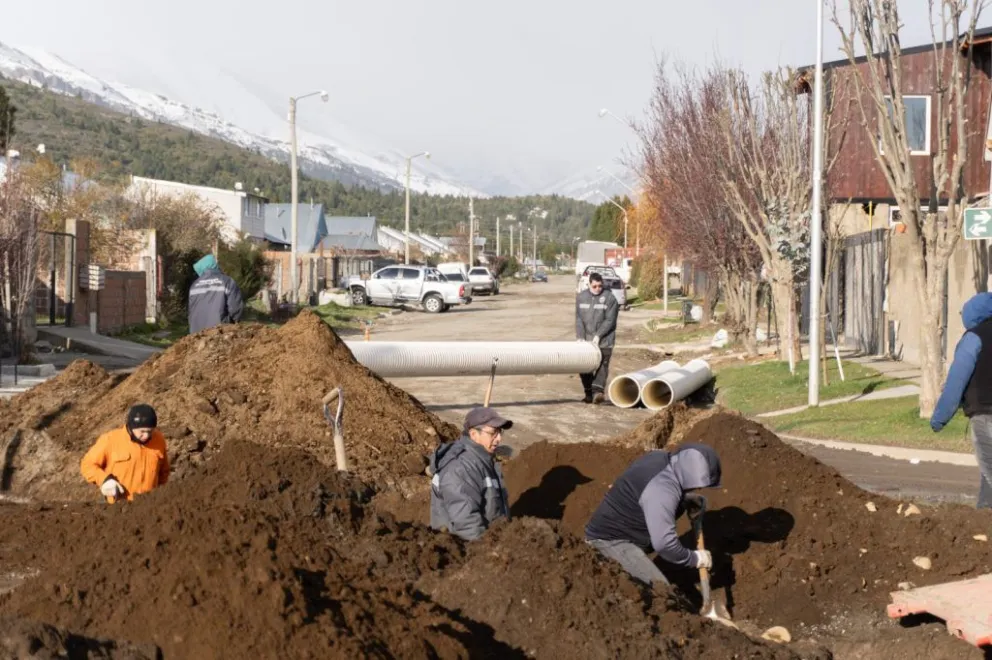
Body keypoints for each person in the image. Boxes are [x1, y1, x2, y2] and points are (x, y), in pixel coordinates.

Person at [584, 443, 722, 585]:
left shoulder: (660, 458)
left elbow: (648, 493)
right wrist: (695, 558)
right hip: (609, 541)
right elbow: (664, 545)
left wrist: (685, 500)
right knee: (661, 592)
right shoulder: (662, 491)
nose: (699, 488)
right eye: (698, 484)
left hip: (625, 528)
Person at [931, 292, 992, 508]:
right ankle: (982, 521)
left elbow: (957, 381)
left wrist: (940, 418)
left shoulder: (974, 338)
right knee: (988, 473)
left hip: (985, 415)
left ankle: (985, 520)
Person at [429, 407, 513, 540]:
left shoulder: (484, 460)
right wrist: (487, 551)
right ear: (474, 434)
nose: (499, 439)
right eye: (493, 433)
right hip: (469, 550)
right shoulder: (460, 468)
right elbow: (466, 524)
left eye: (500, 432)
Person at [80, 404, 170, 503]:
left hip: (149, 505)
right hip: (120, 507)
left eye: (150, 431)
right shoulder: (110, 440)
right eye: (142, 431)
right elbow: (87, 465)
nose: (146, 436)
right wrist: (104, 480)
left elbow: (164, 472)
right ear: (131, 426)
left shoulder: (158, 440)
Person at [576, 271, 620, 404]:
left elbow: (610, 320)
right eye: (594, 286)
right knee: (584, 366)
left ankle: (597, 393)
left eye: (600, 286)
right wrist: (580, 336)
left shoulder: (610, 298)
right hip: (587, 341)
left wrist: (598, 336)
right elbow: (579, 319)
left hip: (605, 341)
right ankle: (588, 394)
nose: (598, 289)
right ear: (589, 284)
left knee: (602, 366)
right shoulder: (581, 297)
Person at [188, 253, 243, 334]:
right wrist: (234, 324)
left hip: (196, 334)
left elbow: (191, 311)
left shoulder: (194, 285)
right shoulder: (227, 281)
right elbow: (235, 308)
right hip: (219, 332)